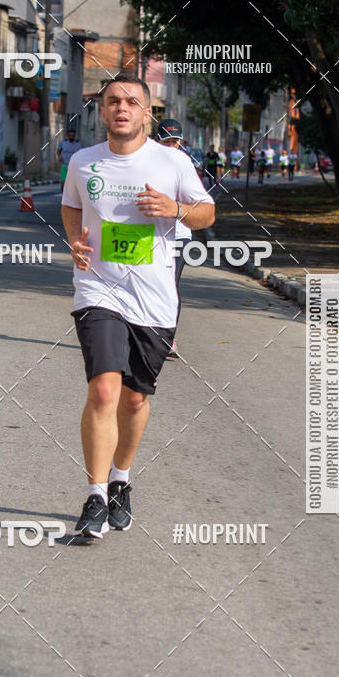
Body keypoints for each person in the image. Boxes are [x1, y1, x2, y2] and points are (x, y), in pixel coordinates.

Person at [61, 75, 215, 538]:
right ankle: (95, 496)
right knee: (103, 390)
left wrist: (175, 209)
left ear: (147, 113)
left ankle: (120, 479)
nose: (121, 108)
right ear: (102, 110)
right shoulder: (83, 162)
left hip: (153, 296)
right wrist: (74, 240)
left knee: (133, 397)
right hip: (98, 288)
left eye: (131, 101)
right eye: (113, 101)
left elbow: (207, 212)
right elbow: (71, 206)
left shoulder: (172, 161)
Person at [155, 118, 198, 358]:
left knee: (171, 285)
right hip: (150, 234)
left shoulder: (186, 167)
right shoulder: (145, 164)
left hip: (179, 235)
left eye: (175, 142)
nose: (172, 146)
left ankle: (168, 338)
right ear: (157, 141)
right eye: (167, 141)